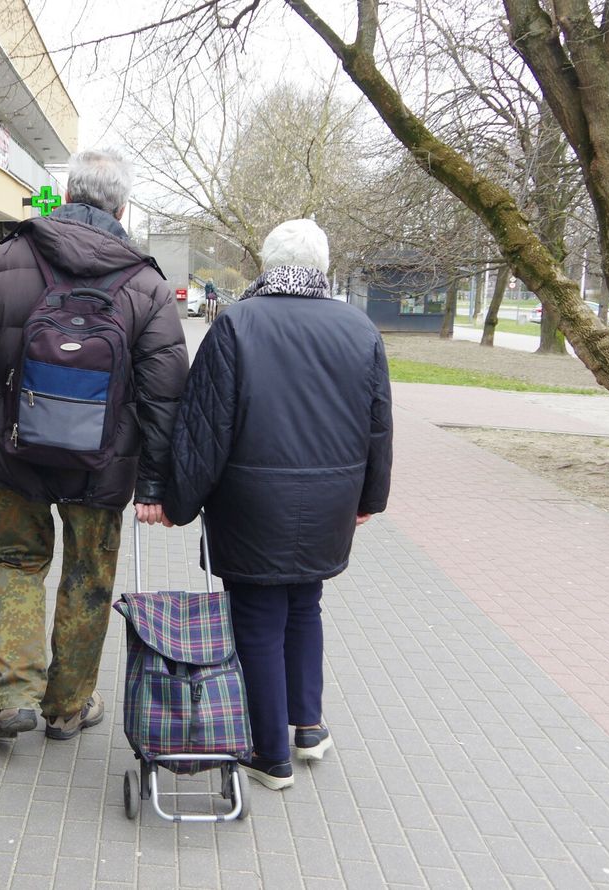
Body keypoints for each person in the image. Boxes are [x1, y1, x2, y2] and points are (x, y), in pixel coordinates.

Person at [0, 148, 188, 741]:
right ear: (122, 205)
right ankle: (68, 707)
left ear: (67, 196)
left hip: (8, 452)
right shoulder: (146, 284)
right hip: (103, 463)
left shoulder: (5, 261)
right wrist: (156, 485)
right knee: (88, 577)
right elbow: (166, 396)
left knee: (16, 562)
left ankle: (14, 693)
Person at [163, 219, 393, 789]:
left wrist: (178, 499)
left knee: (259, 620)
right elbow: (378, 425)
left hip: (252, 502)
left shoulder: (237, 323)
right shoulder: (358, 327)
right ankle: (308, 728)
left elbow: (205, 426)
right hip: (330, 500)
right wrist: (371, 498)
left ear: (267, 265)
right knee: (305, 606)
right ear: (321, 263)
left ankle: (270, 754)